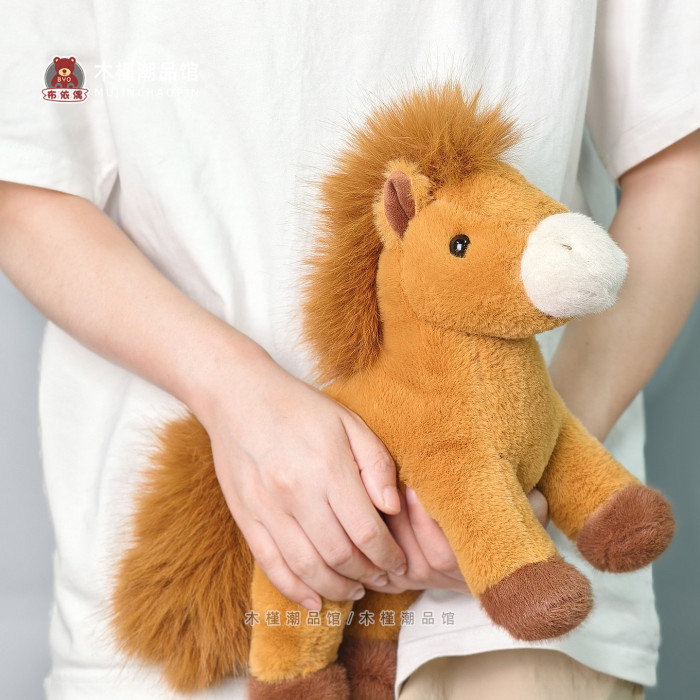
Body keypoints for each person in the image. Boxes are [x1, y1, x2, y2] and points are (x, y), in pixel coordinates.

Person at [0, 2, 698, 698]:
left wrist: (528, 453)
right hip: (210, 571)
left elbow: (678, 151)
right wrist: (232, 393)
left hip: (514, 629)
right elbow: (27, 178)